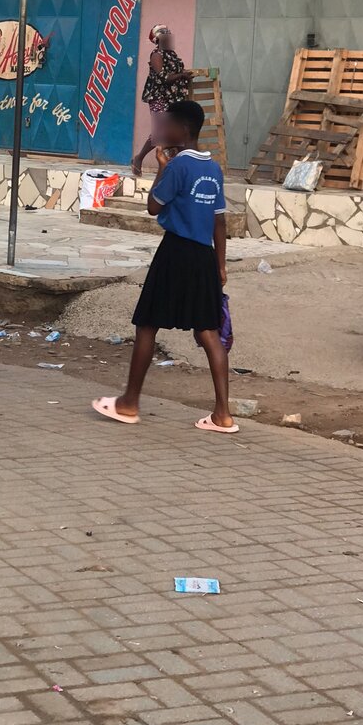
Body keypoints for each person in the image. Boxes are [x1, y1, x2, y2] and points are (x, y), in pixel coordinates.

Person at [93, 100, 236, 432]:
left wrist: (160, 168)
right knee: (209, 332)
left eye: (167, 126)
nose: (161, 132)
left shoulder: (177, 167)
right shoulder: (213, 169)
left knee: (147, 324)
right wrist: (221, 266)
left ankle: (129, 403)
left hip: (174, 253)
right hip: (203, 256)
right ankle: (223, 414)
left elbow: (154, 207)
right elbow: (220, 223)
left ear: (183, 130)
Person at [132, 25, 194, 177]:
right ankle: (139, 158)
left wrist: (185, 74)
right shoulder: (156, 55)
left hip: (173, 97)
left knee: (173, 132)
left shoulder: (172, 54)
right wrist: (181, 76)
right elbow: (163, 78)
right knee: (161, 131)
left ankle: (172, 167)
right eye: (165, 35)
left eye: (169, 34)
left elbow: (175, 72)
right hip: (159, 97)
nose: (168, 36)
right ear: (158, 39)